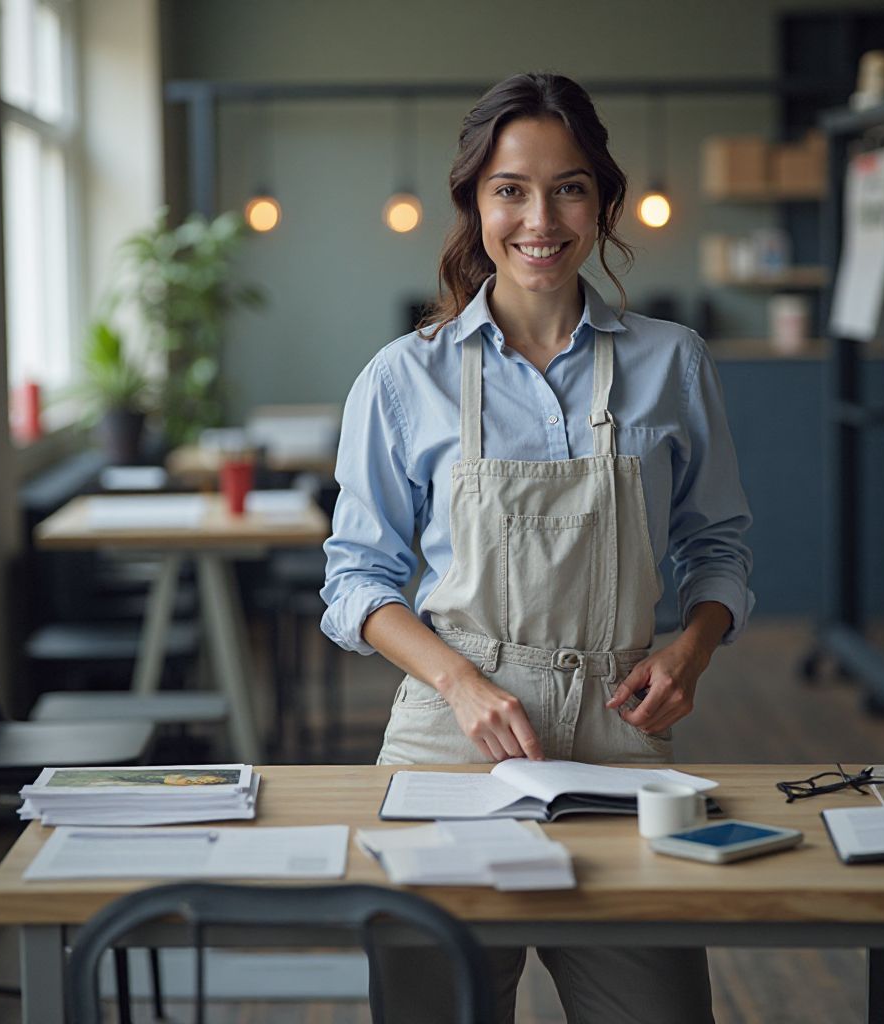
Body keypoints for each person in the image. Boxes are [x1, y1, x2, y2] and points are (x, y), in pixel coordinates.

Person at [321, 72, 753, 1024]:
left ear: (602, 200)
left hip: (620, 733)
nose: (539, 219)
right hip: (451, 731)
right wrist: (462, 686)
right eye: (510, 189)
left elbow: (717, 544)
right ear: (475, 203)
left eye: (568, 187)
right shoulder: (403, 378)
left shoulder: (672, 361)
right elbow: (356, 579)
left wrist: (690, 648)